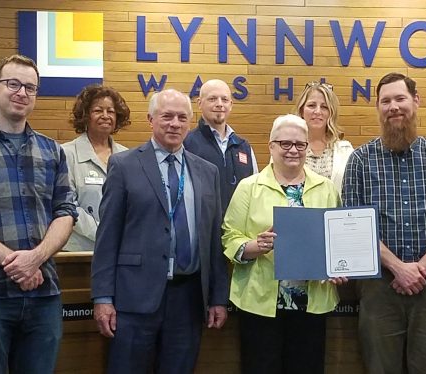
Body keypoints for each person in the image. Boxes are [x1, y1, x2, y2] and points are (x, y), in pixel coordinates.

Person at [91, 89, 229, 373]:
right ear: (150, 119)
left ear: (190, 123)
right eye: (167, 116)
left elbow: (213, 239)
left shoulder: (207, 171)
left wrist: (218, 297)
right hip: (135, 297)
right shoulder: (124, 165)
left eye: (182, 117)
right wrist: (103, 298)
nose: (174, 124)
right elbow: (107, 238)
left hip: (188, 298)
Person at [0, 54, 76, 373]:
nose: (22, 92)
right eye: (13, 84)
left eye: (31, 88)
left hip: (43, 292)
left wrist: (35, 259)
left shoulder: (53, 151)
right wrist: (18, 262)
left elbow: (65, 213)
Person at [342, 73, 426, 374]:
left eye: (400, 98)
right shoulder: (360, 160)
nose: (393, 107)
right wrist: (398, 267)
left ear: (416, 101)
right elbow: (353, 224)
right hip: (378, 286)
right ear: (378, 108)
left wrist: (420, 268)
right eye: (386, 101)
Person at [222, 114, 344, 374]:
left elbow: (337, 239)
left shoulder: (326, 189)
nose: (293, 150)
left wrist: (339, 266)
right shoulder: (249, 187)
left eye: (300, 145)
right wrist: (254, 246)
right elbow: (229, 235)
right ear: (271, 146)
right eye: (285, 143)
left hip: (312, 303)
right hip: (259, 303)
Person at [62, 84, 130, 251]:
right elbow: (68, 205)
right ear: (85, 116)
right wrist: (104, 233)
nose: (106, 116)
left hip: (120, 250)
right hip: (79, 253)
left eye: (111, 111)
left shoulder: (127, 155)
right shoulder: (66, 153)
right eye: (98, 111)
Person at [184, 79, 258, 210]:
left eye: (224, 100)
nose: (219, 104)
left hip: (237, 229)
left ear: (231, 104)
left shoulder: (244, 147)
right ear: (200, 104)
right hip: (203, 228)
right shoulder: (186, 144)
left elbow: (255, 192)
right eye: (212, 99)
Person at [293, 81, 354, 192]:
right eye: (311, 105)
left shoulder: (346, 150)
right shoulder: (285, 147)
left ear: (331, 113)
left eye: (324, 107)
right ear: (302, 110)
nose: (317, 111)